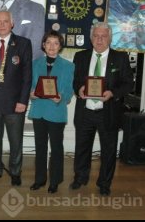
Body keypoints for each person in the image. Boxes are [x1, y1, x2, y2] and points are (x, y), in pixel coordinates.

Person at [70, 22, 133, 196]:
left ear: (110, 38)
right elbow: (75, 81)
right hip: (85, 111)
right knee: (82, 148)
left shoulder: (120, 58)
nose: (99, 39)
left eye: (103, 36)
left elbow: (128, 83)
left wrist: (112, 93)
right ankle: (80, 178)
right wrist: (79, 89)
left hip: (108, 113)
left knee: (109, 151)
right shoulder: (80, 57)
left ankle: (104, 183)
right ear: (91, 38)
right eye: (96, 36)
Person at [0, 10, 32, 186]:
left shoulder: (23, 44)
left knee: (15, 140)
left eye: (6, 21)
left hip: (15, 103)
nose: (2, 24)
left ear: (12, 23)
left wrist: (23, 101)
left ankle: (16, 171)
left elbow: (27, 76)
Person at [28, 30, 74, 193]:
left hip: (56, 111)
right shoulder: (34, 64)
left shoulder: (69, 66)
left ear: (60, 46)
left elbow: (69, 91)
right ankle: (40, 179)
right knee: (40, 147)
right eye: (48, 43)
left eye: (56, 43)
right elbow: (30, 87)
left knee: (56, 148)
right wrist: (31, 94)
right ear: (43, 45)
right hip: (39, 110)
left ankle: (55, 180)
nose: (52, 46)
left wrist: (62, 97)